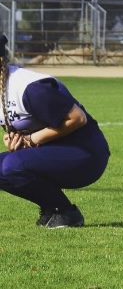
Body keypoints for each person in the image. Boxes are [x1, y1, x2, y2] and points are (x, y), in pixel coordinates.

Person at [0, 34, 110, 228]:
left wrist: (32, 139)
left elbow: (77, 118)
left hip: (86, 154)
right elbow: (19, 129)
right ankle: (53, 209)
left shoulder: (29, 87)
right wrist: (14, 140)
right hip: (55, 152)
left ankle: (66, 212)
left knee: (12, 165)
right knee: (7, 163)